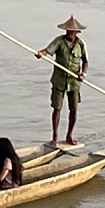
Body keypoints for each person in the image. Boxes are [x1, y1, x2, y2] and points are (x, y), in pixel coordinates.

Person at [36, 16, 88, 146]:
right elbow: (48, 50)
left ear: (77, 32)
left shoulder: (81, 45)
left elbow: (85, 61)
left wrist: (83, 74)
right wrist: (41, 54)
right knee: (57, 108)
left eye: (72, 30)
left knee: (74, 109)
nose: (69, 32)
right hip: (59, 80)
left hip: (74, 82)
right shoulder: (59, 41)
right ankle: (55, 137)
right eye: (68, 30)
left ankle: (69, 136)